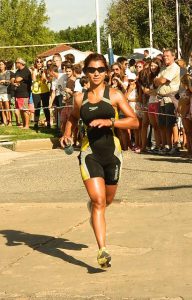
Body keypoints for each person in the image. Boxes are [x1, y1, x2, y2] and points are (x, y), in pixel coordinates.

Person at [60, 53, 138, 268]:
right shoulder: (79, 98)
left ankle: (95, 208)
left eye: (100, 69)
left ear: (107, 72)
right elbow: (73, 118)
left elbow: (134, 122)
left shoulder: (114, 96)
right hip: (89, 154)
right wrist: (67, 133)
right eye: (91, 70)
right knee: (98, 201)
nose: (96, 73)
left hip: (112, 155)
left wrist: (110, 121)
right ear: (85, 72)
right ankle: (102, 250)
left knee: (107, 200)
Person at [11, 58, 32, 129]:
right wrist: (14, 81)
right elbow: (12, 79)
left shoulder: (26, 70)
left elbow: (17, 79)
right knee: (21, 110)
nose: (16, 64)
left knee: (25, 110)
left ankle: (27, 125)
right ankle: (24, 124)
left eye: (16, 62)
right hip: (18, 93)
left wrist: (15, 80)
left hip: (24, 93)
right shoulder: (18, 71)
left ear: (20, 63)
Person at [31, 57, 51, 130]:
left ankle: (48, 123)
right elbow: (33, 79)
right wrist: (35, 71)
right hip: (36, 91)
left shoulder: (45, 70)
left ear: (42, 63)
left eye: (40, 62)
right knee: (37, 107)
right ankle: (36, 123)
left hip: (44, 91)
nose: (39, 63)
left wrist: (42, 73)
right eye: (37, 61)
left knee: (46, 107)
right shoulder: (34, 70)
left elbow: (43, 80)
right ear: (35, 63)